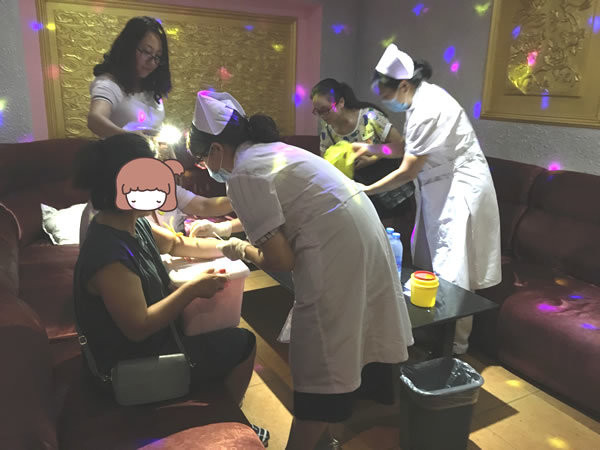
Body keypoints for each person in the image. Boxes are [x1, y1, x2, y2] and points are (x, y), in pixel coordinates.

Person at [187, 91, 413, 450]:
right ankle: (325, 442)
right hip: (363, 234)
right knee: (340, 346)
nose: (205, 167)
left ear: (215, 149)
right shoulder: (266, 152)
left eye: (201, 160)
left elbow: (279, 260)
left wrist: (237, 248)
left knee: (319, 361)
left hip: (338, 249)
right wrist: (227, 228)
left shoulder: (243, 173)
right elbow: (280, 206)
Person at [72, 133, 269, 446]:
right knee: (243, 343)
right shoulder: (109, 255)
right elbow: (139, 326)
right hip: (129, 368)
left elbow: (177, 244)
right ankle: (231, 418)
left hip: (156, 341)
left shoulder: (132, 222)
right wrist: (192, 290)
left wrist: (232, 247)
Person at [357, 44, 501, 354]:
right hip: (438, 189)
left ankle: (454, 347)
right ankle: (429, 331)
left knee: (453, 268)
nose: (385, 101)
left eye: (385, 94)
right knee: (428, 261)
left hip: (459, 189)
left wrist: (365, 190)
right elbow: (407, 148)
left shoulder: (429, 108)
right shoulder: (418, 101)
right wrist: (370, 149)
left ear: (403, 85)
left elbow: (408, 169)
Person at [80, 16, 236, 244]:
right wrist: (133, 140)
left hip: (150, 173)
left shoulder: (151, 92)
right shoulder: (110, 84)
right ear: (128, 47)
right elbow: (95, 119)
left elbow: (203, 206)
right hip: (119, 178)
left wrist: (166, 154)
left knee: (153, 244)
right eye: (146, 52)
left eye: (157, 57)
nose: (151, 62)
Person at [311, 78, 414, 218]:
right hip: (359, 187)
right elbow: (325, 165)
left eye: (325, 110)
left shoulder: (370, 117)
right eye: (317, 112)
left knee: (392, 223)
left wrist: (373, 158)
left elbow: (399, 146)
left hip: (387, 182)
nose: (322, 116)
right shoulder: (327, 131)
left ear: (341, 102)